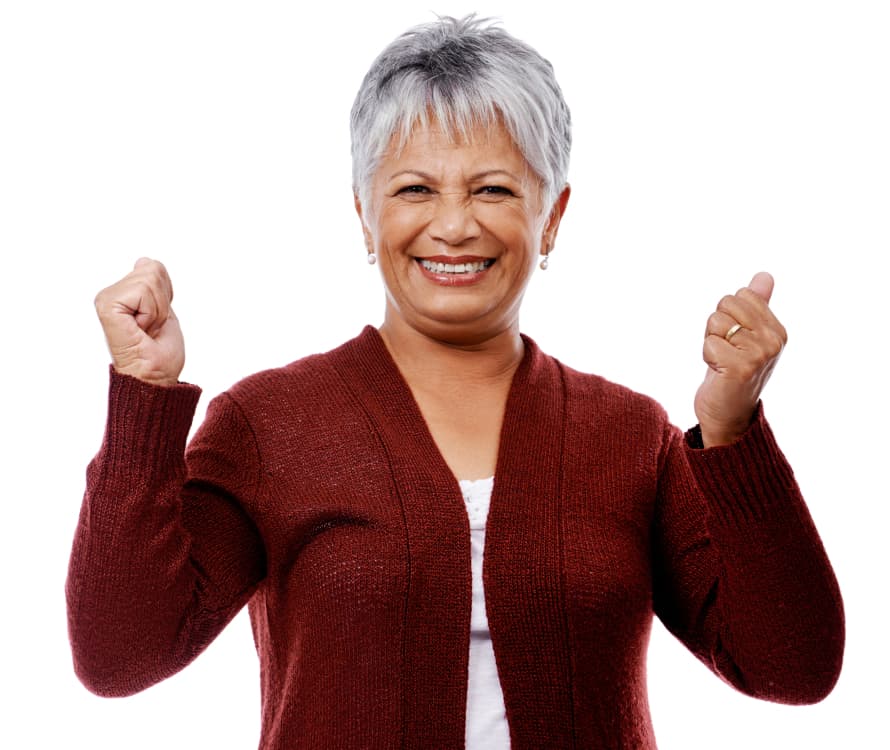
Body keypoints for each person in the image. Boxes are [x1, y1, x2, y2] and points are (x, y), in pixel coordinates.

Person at [66, 14, 844, 750]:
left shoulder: (631, 436)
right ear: (363, 216)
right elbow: (118, 656)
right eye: (414, 189)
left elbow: (793, 667)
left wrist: (734, 430)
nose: (454, 225)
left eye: (494, 189)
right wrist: (143, 396)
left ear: (552, 217)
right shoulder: (269, 424)